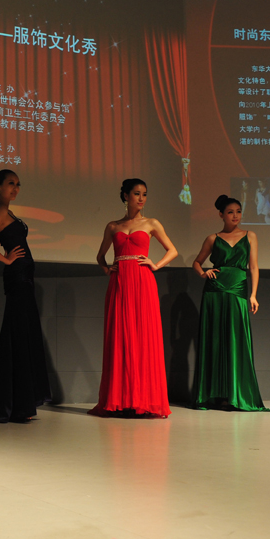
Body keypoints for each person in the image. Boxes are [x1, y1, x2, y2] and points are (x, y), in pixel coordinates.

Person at [0, 170, 51, 423]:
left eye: (18, 184)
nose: (15, 188)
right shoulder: (1, 212)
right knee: (18, 335)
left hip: (24, 277)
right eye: (10, 183)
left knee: (21, 335)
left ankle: (19, 403)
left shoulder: (7, 212)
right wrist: (6, 260)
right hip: (18, 278)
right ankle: (17, 405)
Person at [90, 178, 177, 418]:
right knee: (120, 338)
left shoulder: (151, 223)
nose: (141, 198)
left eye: (144, 194)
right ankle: (121, 400)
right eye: (137, 194)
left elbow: (173, 250)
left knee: (142, 337)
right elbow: (100, 255)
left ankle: (143, 400)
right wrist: (108, 269)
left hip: (142, 282)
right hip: (119, 284)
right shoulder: (113, 226)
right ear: (126, 196)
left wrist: (155, 264)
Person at [191, 196, 270, 412]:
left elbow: (253, 267)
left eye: (238, 211)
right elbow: (197, 262)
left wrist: (253, 295)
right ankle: (214, 395)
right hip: (214, 292)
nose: (235, 215)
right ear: (221, 215)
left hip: (238, 289)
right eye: (230, 212)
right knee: (215, 341)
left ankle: (236, 394)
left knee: (236, 340)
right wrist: (203, 273)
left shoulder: (250, 236)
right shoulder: (212, 238)